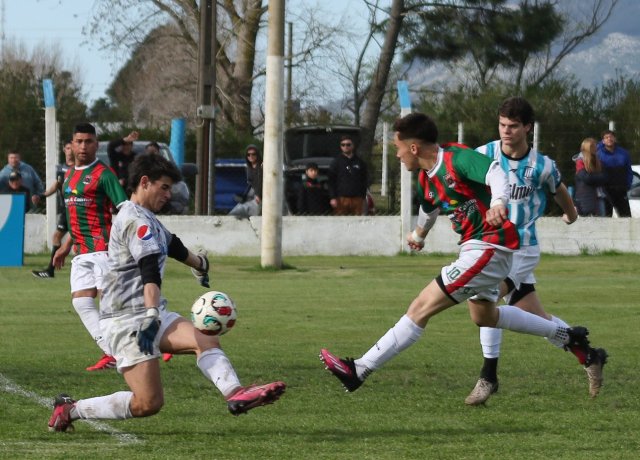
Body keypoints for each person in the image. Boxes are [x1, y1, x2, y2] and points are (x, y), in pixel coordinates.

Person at [319, 112, 595, 401]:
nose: (397, 155)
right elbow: (429, 209)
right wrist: (419, 235)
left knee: (421, 307)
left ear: (413, 147)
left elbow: (495, 173)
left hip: (489, 246)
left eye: (398, 148)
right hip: (479, 248)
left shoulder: (456, 158)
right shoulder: (426, 179)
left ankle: (359, 369)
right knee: (485, 316)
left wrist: (499, 202)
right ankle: (567, 335)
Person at [48, 153, 286, 432]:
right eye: (164, 187)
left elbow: (172, 245)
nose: (168, 194)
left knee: (205, 339)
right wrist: (151, 314)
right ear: (144, 182)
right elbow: (149, 269)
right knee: (148, 403)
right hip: (127, 322)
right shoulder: (134, 220)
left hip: (151, 314)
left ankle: (236, 393)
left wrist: (200, 264)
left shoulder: (146, 217)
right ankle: (71, 410)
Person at [466, 98, 608, 406]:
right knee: (537, 318)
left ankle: (488, 377)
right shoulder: (483, 155)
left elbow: (560, 191)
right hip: (492, 245)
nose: (506, 131)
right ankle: (588, 354)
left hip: (522, 248)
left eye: (513, 126)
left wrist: (571, 215)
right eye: (502, 124)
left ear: (528, 127)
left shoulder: (542, 166)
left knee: (486, 299)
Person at [52, 123, 129, 371]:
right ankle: (111, 353)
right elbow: (74, 216)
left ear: (96, 144)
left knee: (111, 306)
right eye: (79, 141)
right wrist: (66, 245)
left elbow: (125, 209)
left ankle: (159, 338)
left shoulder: (104, 174)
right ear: (71, 145)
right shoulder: (68, 176)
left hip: (104, 249)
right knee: (81, 302)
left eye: (88, 141)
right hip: (81, 251)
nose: (83, 146)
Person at [32, 142, 75, 278]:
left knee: (78, 240)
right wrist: (42, 195)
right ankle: (50, 270)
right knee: (56, 237)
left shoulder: (79, 168)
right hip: (66, 209)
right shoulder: (61, 168)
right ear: (64, 150)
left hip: (76, 208)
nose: (70, 151)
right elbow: (57, 185)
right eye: (67, 148)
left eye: (72, 148)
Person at [327, 136, 368, 215]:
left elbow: (364, 180)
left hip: (357, 199)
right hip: (341, 199)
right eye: (343, 145)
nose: (345, 146)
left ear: (353, 146)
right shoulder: (336, 162)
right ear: (340, 146)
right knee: (340, 221)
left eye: (348, 144)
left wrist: (363, 197)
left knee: (357, 221)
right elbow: (331, 181)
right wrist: (333, 197)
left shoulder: (360, 162)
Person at [597, 129, 632, 217]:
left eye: (611, 137)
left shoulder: (624, 153)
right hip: (605, 191)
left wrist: (628, 185)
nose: (609, 139)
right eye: (606, 137)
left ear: (615, 139)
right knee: (606, 218)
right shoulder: (598, 154)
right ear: (603, 141)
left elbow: (629, 170)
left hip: (621, 190)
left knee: (626, 218)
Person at [573, 137, 608, 217]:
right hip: (586, 197)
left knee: (603, 221)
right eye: (593, 146)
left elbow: (605, 177)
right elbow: (587, 178)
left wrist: (597, 177)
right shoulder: (580, 161)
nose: (596, 148)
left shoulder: (598, 160)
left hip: (600, 196)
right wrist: (599, 177)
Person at [228, 144, 263, 218]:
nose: (251, 156)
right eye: (248, 155)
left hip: (260, 197)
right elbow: (250, 183)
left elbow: (260, 181)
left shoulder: (262, 167)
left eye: (253, 154)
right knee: (234, 213)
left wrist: (258, 195)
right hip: (250, 197)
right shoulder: (248, 168)